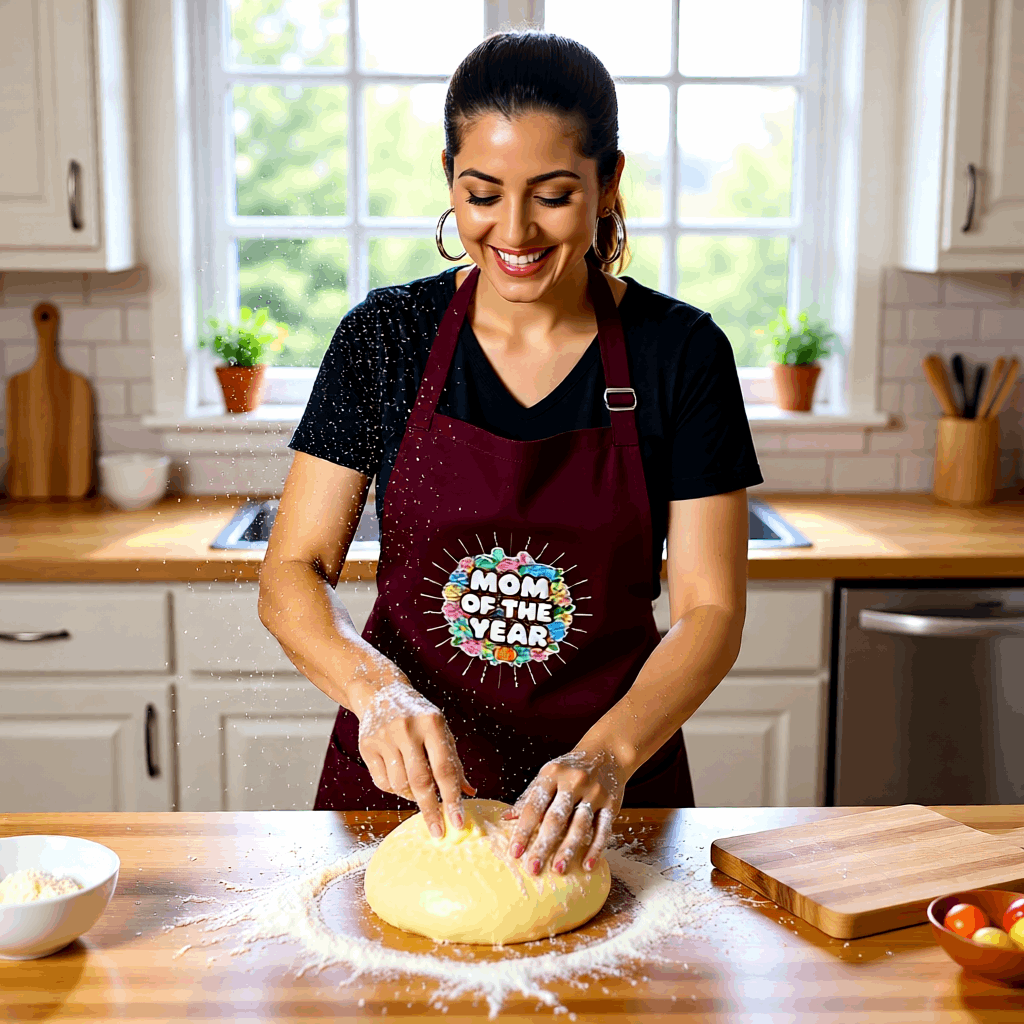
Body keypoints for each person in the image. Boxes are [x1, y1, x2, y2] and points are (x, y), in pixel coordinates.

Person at [258, 30, 763, 881]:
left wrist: (606, 755)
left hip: (605, 794)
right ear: (448, 178)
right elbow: (292, 573)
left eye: (554, 194)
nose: (514, 230)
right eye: (481, 193)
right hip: (402, 796)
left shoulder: (681, 353)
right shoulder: (386, 337)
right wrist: (374, 693)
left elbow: (710, 612)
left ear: (609, 183)